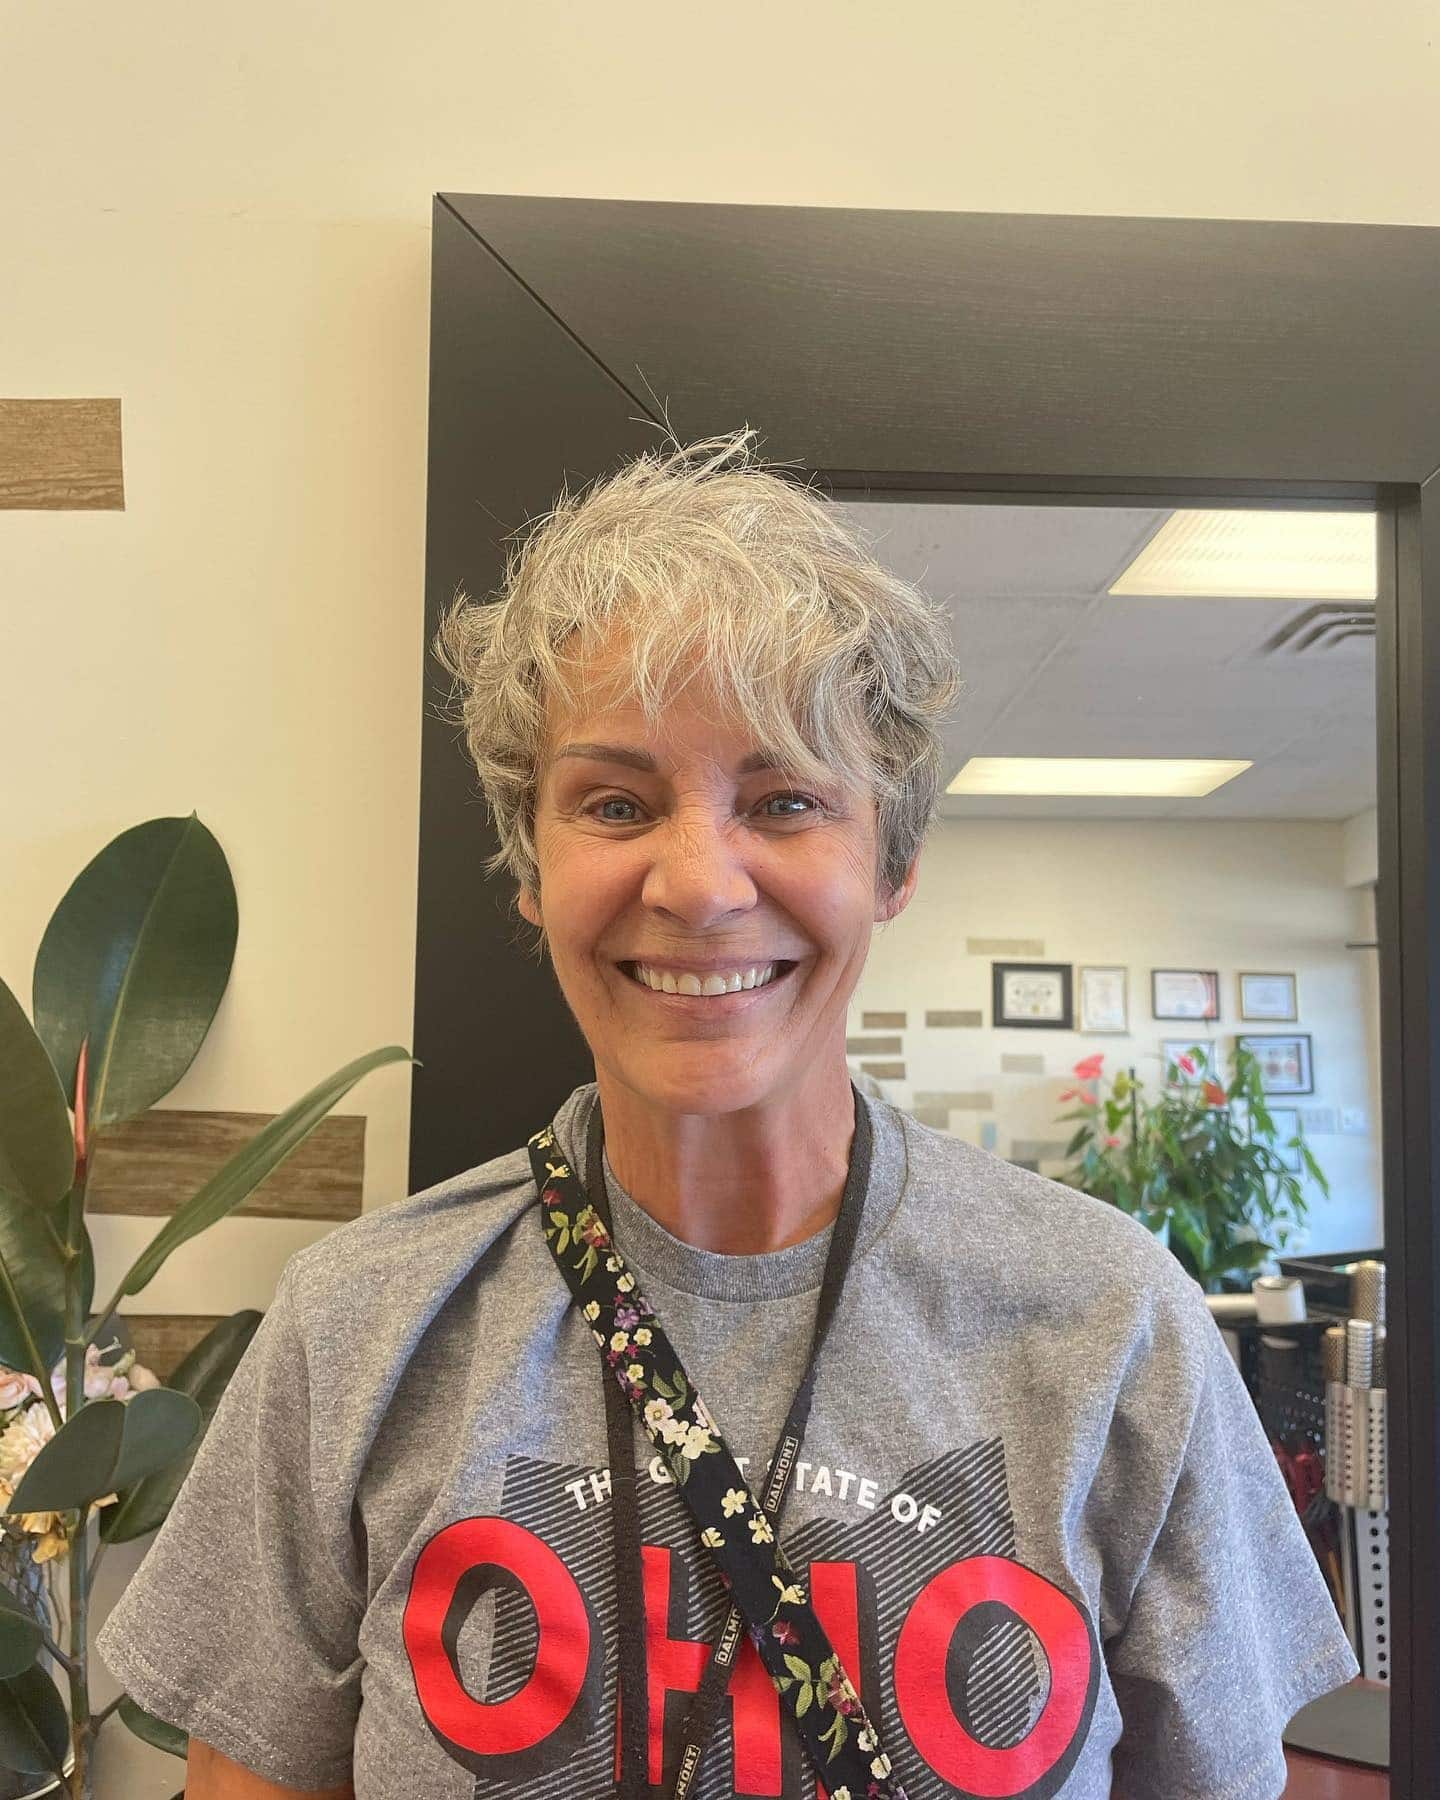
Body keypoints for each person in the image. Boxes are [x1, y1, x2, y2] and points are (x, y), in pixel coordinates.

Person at [97, 431, 1359, 1799]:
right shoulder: (359, 1325)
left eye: (785, 800)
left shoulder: (1110, 1320)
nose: (698, 882)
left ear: (893, 862)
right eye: (617, 801)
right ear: (532, 866)